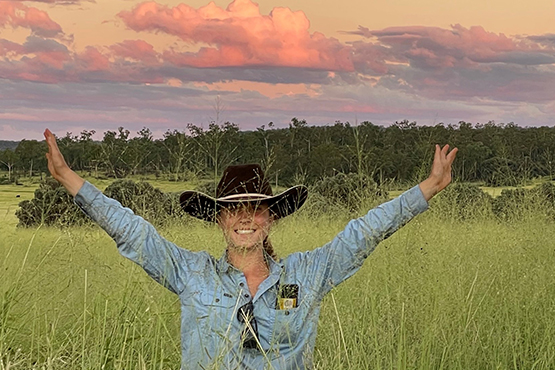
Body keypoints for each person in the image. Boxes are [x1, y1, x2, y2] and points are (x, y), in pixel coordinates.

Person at [44, 128, 457, 370]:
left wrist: (428, 188)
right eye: (233, 210)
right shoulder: (190, 274)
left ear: (271, 216)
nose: (245, 218)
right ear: (219, 219)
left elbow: (365, 233)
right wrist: (69, 179)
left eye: (255, 209)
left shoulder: (307, 274)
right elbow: (134, 233)